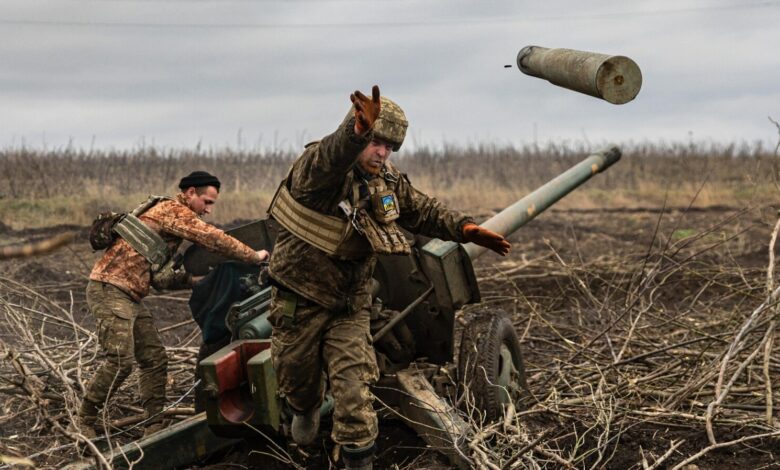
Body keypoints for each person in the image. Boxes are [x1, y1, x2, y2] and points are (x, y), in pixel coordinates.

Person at [266, 86, 510, 469]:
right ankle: (304, 407)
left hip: (350, 306)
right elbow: (332, 155)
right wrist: (355, 132)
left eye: (390, 147)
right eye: (377, 143)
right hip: (299, 303)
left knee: (354, 400)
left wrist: (465, 228)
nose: (382, 153)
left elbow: (423, 211)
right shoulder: (319, 172)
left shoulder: (387, 181)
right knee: (297, 384)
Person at [78, 171, 269, 438]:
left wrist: (196, 280)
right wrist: (253, 255)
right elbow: (212, 238)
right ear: (190, 193)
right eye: (207, 202)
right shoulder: (172, 210)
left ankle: (154, 424)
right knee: (121, 360)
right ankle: (84, 420)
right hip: (109, 289)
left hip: (129, 295)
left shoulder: (166, 218)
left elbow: (160, 279)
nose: (209, 210)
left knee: (154, 359)